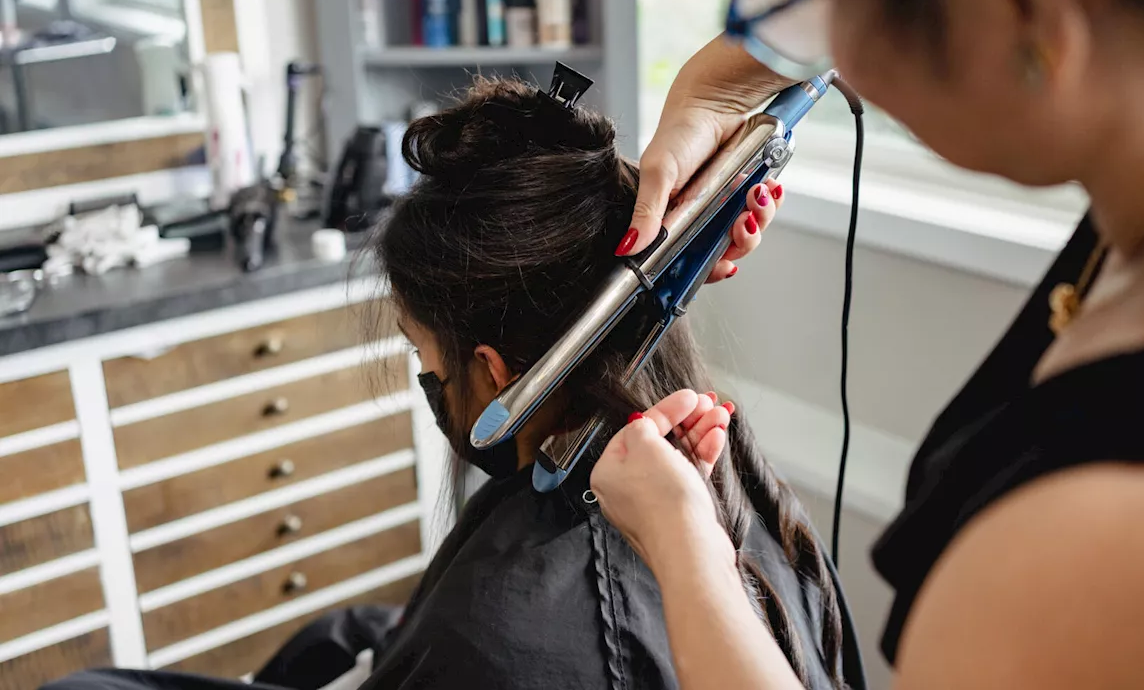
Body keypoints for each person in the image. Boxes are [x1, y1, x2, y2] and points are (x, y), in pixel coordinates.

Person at [42, 78, 865, 690]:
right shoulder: (748, 494)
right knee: (338, 635)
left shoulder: (494, 632)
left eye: (425, 354)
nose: (425, 379)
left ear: (497, 374)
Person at [595, 0, 1144, 688]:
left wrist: (682, 544)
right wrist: (722, 83)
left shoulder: (1106, 564)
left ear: (1025, 7)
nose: (835, 67)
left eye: (829, 9)